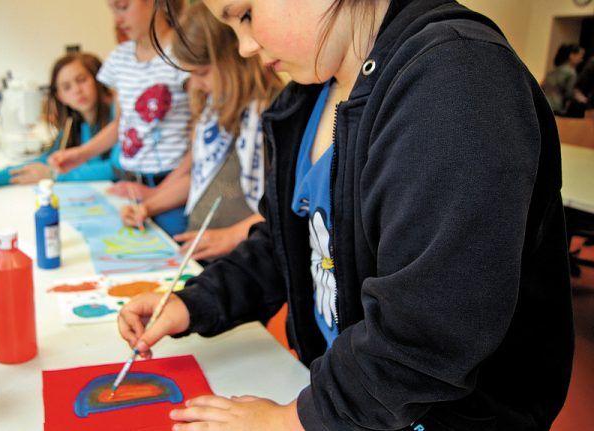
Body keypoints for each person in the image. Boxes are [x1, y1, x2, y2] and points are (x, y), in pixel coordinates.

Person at [118, 0, 574, 430]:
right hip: (357, 407)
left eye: (247, 14)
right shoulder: (306, 100)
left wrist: (293, 419)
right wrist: (193, 303)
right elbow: (286, 246)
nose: (245, 46)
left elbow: (426, 332)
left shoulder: (457, 81)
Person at [118, 3, 282, 261]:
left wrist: (233, 235)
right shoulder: (213, 110)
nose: (194, 84)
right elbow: (197, 177)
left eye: (202, 73)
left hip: (247, 262)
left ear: (235, 58)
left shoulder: (275, 111)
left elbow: (290, 204)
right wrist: (148, 207)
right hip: (203, 257)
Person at [49, 0, 192, 236]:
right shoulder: (119, 58)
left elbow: (200, 139)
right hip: (128, 186)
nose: (117, 19)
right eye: (112, 10)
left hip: (171, 190)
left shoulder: (184, 54)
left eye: (123, 7)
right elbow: (121, 124)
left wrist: (159, 193)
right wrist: (81, 154)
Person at [0, 52, 119, 196]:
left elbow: (115, 169)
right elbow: (47, 161)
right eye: (67, 87)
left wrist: (53, 175)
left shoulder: (118, 117)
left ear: (97, 79)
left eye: (82, 80)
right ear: (60, 96)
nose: (77, 90)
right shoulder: (73, 125)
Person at [542, 43, 586, 116]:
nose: (581, 60)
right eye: (580, 56)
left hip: (544, 103)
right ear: (571, 55)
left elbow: (543, 86)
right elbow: (568, 94)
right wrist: (577, 96)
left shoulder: (555, 70)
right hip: (556, 107)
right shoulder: (572, 73)